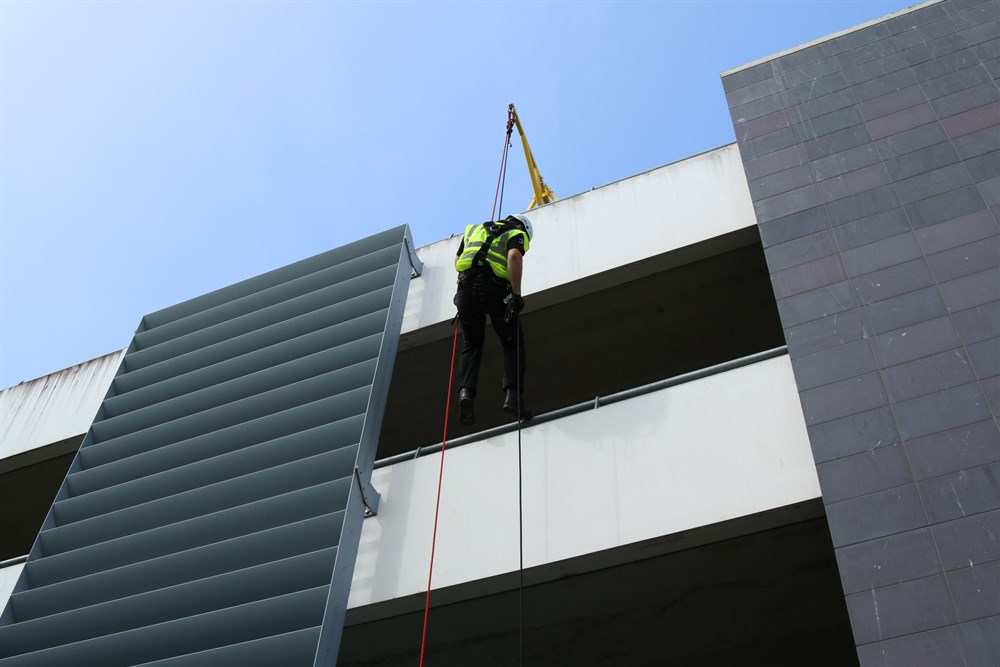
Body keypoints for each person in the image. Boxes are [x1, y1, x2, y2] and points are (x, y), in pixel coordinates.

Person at [453, 213, 534, 426]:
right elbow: (514, 257)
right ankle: (513, 397)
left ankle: (465, 393)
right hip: (495, 290)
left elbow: (458, 259)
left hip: (466, 290)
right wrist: (516, 295)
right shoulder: (516, 233)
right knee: (512, 343)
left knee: (472, 344)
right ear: (521, 226)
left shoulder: (473, 229)